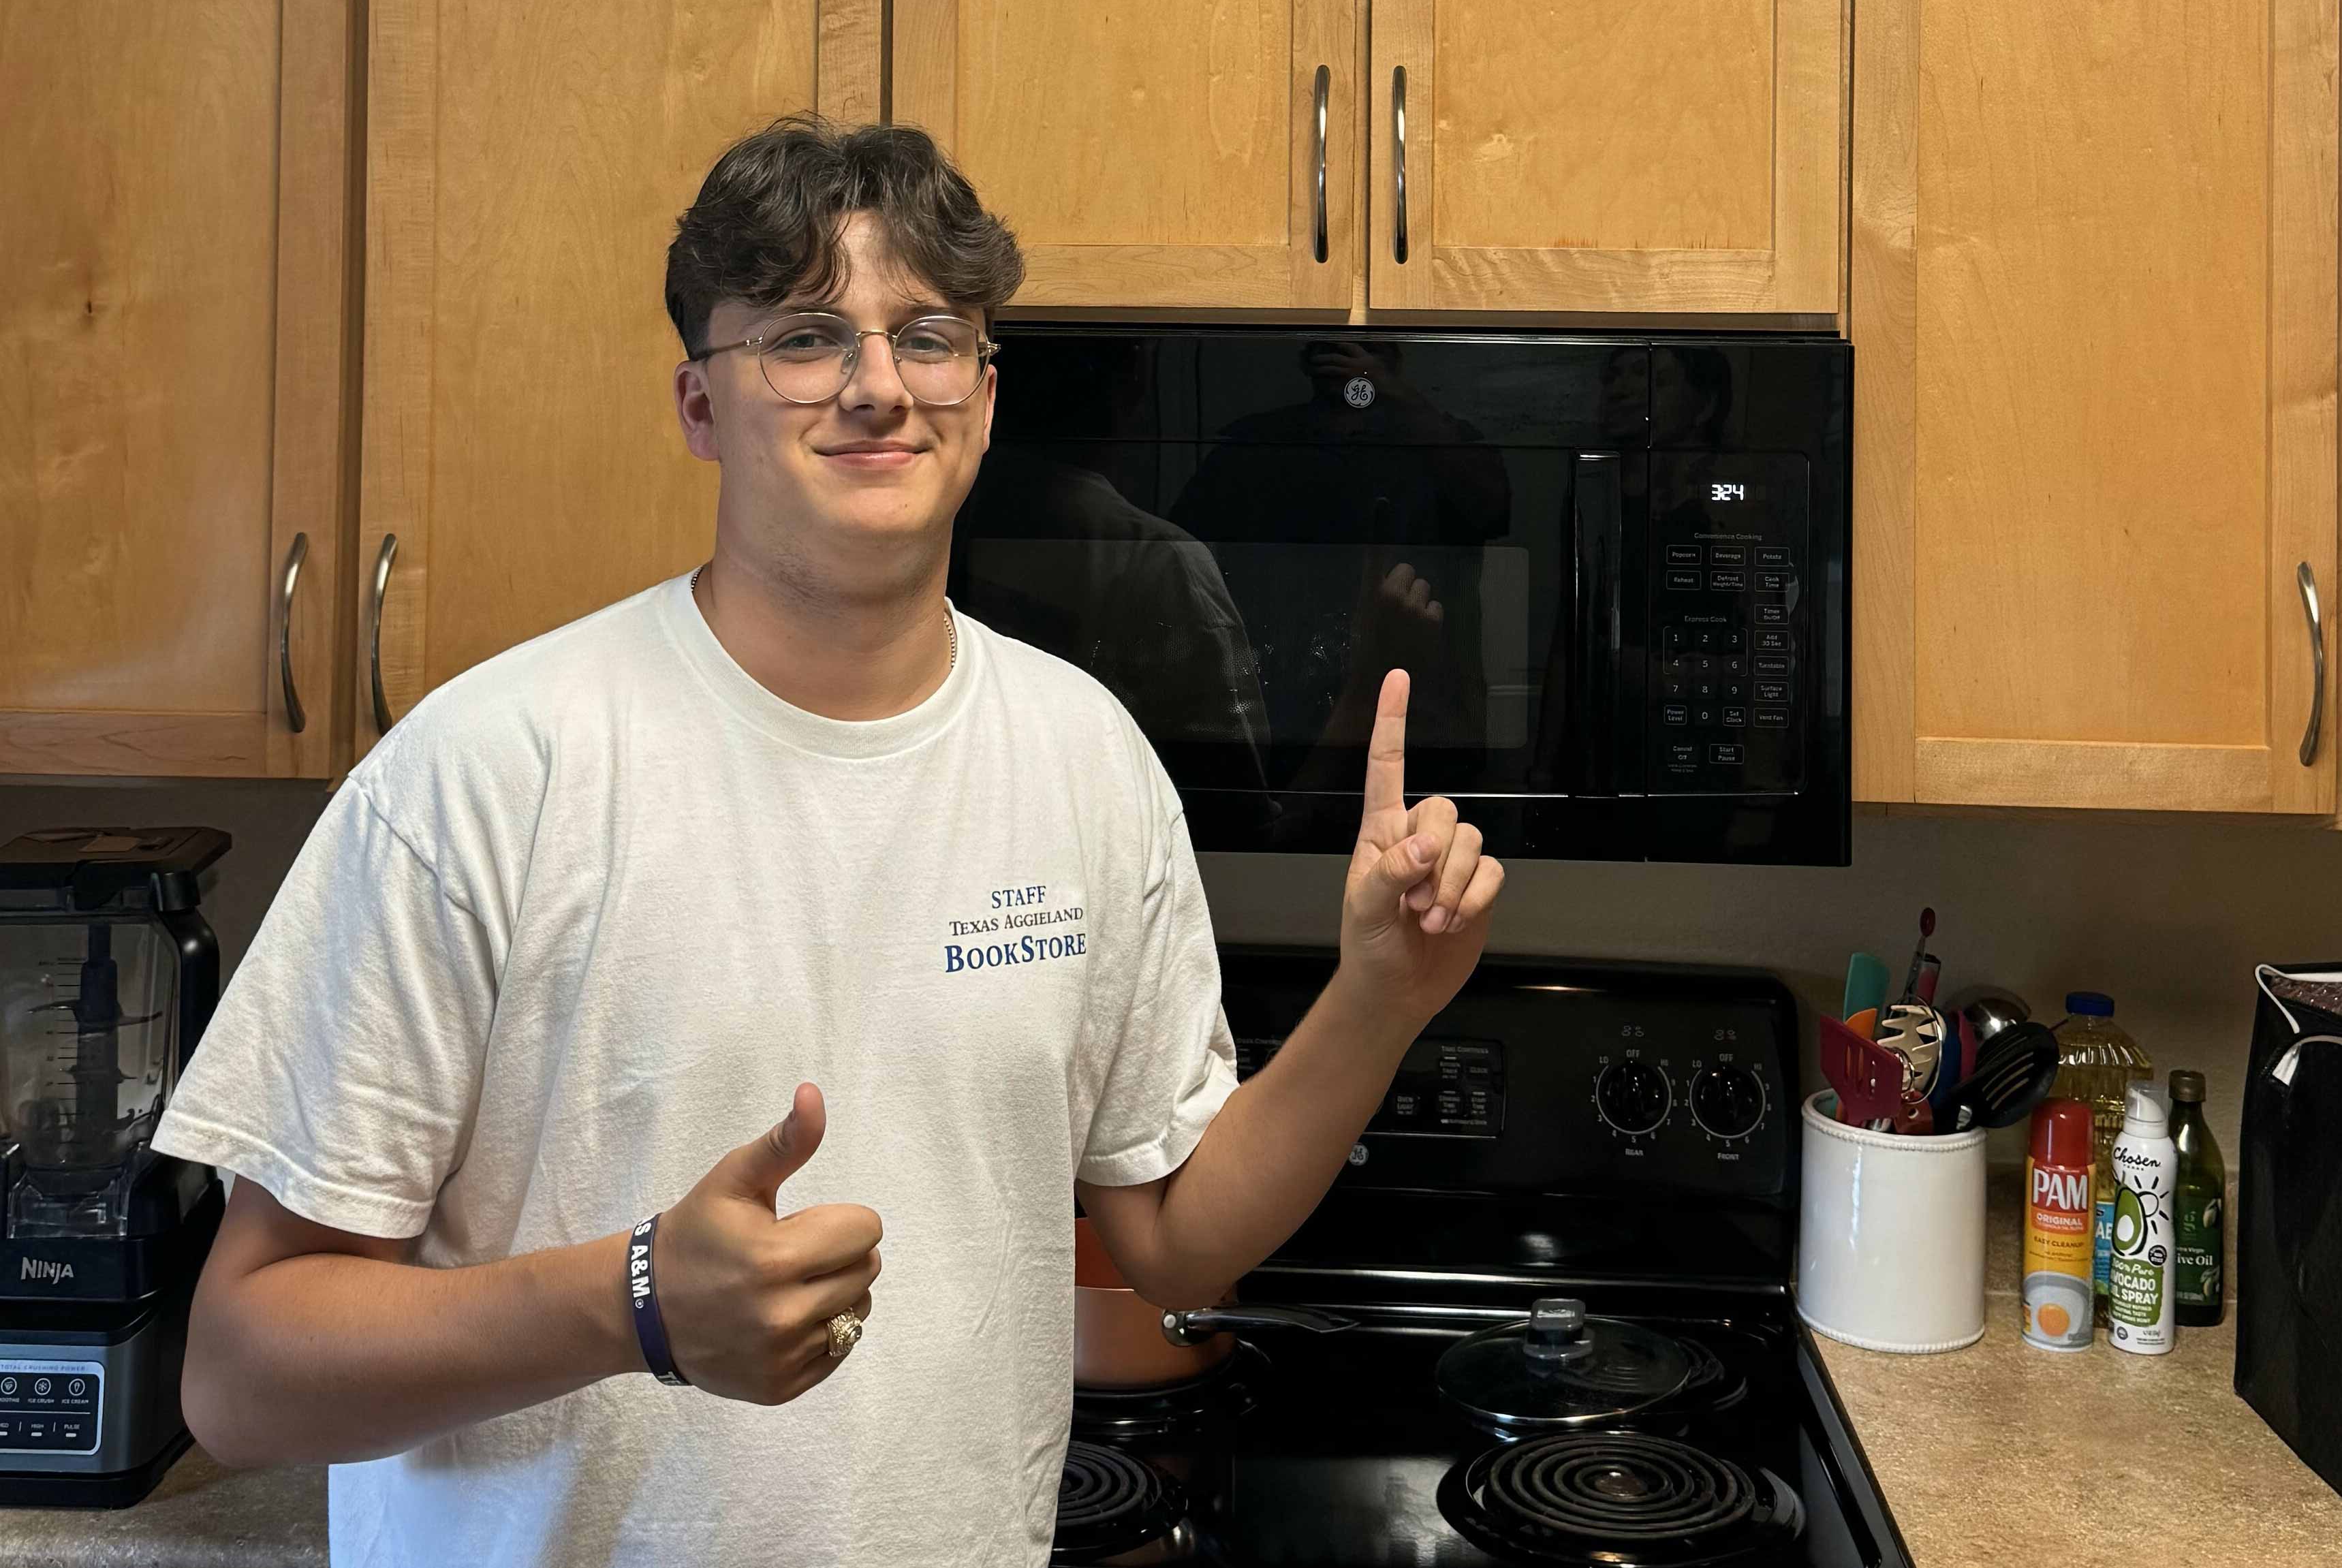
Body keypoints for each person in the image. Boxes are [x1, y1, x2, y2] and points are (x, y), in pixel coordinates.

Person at [156, 117, 1504, 1568]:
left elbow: (1180, 1238)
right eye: (805, 337)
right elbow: (240, 1373)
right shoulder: (490, 771)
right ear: (697, 403)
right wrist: (633, 1305)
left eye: (928, 335)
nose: (877, 386)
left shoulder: (1085, 761)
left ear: (984, 398)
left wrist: (1383, 1000)